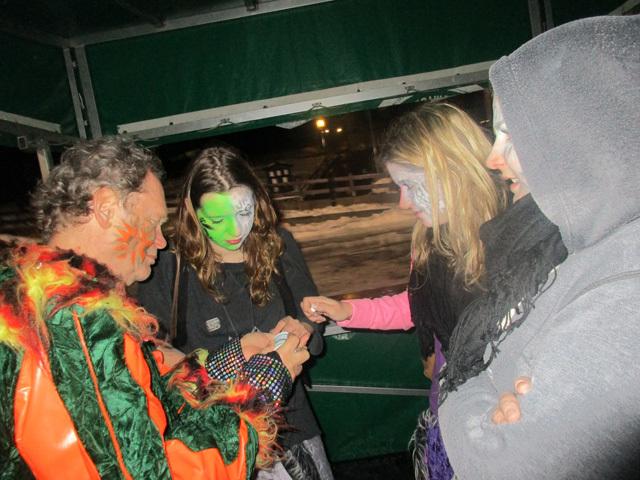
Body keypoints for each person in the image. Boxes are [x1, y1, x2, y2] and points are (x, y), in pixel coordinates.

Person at [0, 137, 310, 479]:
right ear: (105, 207)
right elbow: (156, 470)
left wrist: (232, 358)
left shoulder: (33, 300)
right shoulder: (77, 323)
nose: (161, 242)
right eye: (152, 224)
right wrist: (265, 382)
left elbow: (150, 401)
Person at [438, 14, 640, 479]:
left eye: (512, 134)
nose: (492, 157)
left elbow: (497, 463)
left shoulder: (625, 290)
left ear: (581, 133)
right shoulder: (578, 242)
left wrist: (467, 387)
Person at [301, 102, 506, 479]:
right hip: (450, 409)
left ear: (453, 171)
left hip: (502, 420)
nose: (402, 202)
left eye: (410, 185)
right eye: (399, 187)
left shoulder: (512, 238)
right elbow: (415, 306)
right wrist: (349, 311)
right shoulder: (427, 242)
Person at [135, 145, 333, 480]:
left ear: (257, 201)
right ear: (192, 211)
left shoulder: (279, 245)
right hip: (213, 445)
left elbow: (314, 334)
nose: (235, 231)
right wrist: (232, 356)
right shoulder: (166, 266)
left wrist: (305, 328)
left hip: (291, 432)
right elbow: (154, 367)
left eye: (244, 212)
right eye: (217, 220)